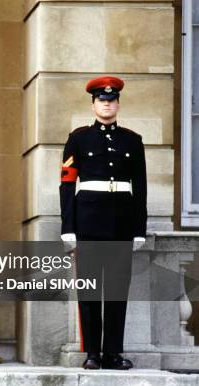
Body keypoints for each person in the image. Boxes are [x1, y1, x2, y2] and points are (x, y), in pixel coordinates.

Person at [59, 76, 147, 370]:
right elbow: (67, 184)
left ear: (118, 104)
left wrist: (138, 229)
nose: (107, 104)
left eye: (111, 100)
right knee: (90, 291)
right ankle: (93, 353)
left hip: (121, 223)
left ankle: (112, 352)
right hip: (88, 223)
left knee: (117, 291)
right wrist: (68, 227)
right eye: (102, 100)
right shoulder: (78, 138)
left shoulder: (133, 141)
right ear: (93, 104)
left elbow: (141, 188)